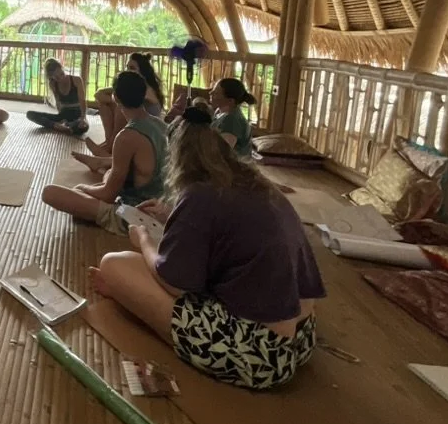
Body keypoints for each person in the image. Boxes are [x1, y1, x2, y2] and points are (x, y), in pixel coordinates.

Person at [88, 105, 324, 390]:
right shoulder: (260, 184)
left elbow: (174, 284)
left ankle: (137, 303)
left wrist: (143, 239)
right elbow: (228, 231)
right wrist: (172, 213)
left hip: (260, 356)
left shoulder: (200, 194)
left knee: (115, 264)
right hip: (302, 337)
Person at [42, 71, 166, 231]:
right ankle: (100, 164)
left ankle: (98, 173)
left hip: (137, 215)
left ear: (116, 98)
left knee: (50, 193)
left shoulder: (127, 137)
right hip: (164, 208)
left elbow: (108, 195)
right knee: (111, 174)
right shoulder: (162, 125)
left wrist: (82, 188)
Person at [88, 53, 164, 153]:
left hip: (148, 128)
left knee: (121, 107)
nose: (128, 71)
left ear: (142, 71)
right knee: (105, 105)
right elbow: (98, 95)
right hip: (137, 121)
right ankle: (110, 142)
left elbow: (123, 100)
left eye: (132, 68)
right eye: (127, 67)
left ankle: (111, 146)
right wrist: (116, 100)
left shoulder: (145, 87)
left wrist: (117, 100)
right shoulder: (129, 85)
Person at [25, 58, 89, 135]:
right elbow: (59, 104)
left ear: (62, 68)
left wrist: (83, 118)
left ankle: (66, 127)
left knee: (84, 127)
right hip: (63, 116)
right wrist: (61, 120)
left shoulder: (76, 80)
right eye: (56, 77)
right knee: (30, 114)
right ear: (51, 77)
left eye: (61, 74)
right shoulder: (53, 84)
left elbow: (82, 101)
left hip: (78, 115)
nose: (60, 78)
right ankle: (57, 126)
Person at [209, 78, 255, 157]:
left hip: (234, 166)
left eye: (216, 93)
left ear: (230, 100)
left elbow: (222, 153)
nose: (210, 93)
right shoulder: (220, 111)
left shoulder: (232, 120)